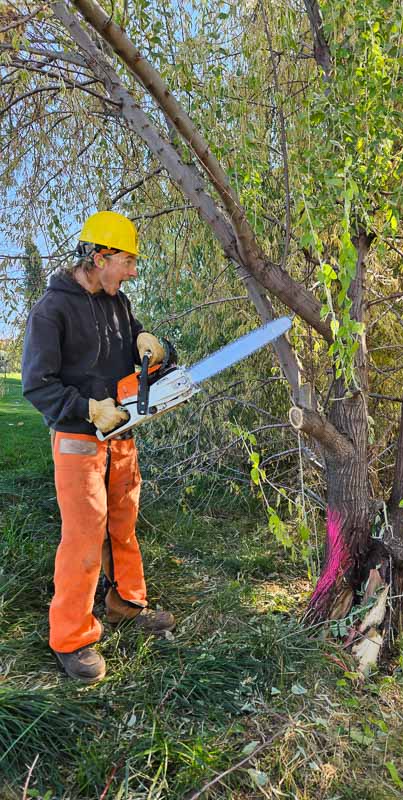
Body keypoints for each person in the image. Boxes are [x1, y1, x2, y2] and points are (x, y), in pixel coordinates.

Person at [21, 210, 175, 684]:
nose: (132, 272)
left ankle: (126, 603)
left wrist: (157, 346)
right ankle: (71, 636)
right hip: (78, 439)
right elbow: (36, 384)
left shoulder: (119, 304)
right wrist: (87, 408)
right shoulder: (52, 311)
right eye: (127, 262)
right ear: (99, 255)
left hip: (121, 437)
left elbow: (143, 355)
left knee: (123, 527)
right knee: (84, 538)